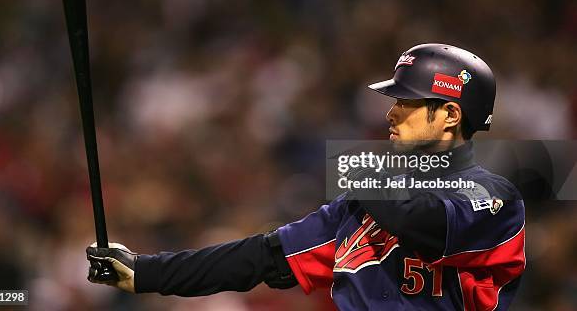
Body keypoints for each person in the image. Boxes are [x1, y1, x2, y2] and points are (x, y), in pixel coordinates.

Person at [86, 43, 526, 310]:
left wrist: (358, 167)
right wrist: (146, 272)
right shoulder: (360, 205)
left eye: (408, 101)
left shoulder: (495, 198)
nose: (391, 112)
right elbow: (261, 258)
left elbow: (424, 224)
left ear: (450, 114)